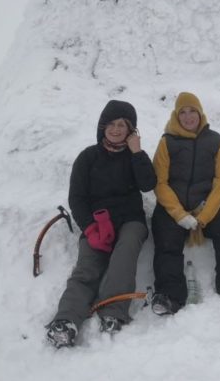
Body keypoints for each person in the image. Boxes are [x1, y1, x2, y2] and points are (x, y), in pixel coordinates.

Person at [45, 100, 156, 347]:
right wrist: (89, 227)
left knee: (123, 258)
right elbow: (77, 197)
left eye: (123, 125)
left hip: (130, 220)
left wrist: (137, 152)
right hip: (97, 223)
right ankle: (66, 321)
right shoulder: (87, 158)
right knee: (87, 268)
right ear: (102, 126)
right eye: (111, 124)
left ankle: (114, 313)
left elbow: (148, 184)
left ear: (131, 131)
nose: (116, 130)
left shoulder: (134, 156)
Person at [151, 92, 220, 314]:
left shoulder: (215, 141)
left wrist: (204, 215)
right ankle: (170, 295)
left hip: (205, 206)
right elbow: (159, 182)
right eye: (183, 112)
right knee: (166, 238)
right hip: (172, 208)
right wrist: (180, 215)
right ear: (176, 116)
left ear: (200, 114)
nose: (188, 116)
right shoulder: (167, 142)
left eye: (193, 111)